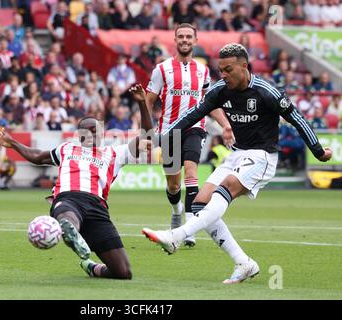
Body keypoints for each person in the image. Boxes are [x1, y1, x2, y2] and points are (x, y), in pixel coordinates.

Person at [142, 43, 332, 284]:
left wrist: (318, 151)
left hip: (263, 156)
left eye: (228, 69)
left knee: (227, 187)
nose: (223, 75)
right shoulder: (220, 90)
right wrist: (164, 136)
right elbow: (193, 115)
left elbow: (296, 118)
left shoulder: (266, 92)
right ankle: (244, 263)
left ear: (244, 66)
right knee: (200, 203)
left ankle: (175, 236)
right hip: (238, 154)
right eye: (221, 70)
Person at [0, 84, 154, 279]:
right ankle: (69, 231)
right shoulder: (66, 149)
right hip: (68, 198)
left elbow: (147, 137)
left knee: (123, 272)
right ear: (80, 134)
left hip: (97, 207)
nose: (94, 134)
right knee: (68, 218)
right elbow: (38, 157)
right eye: (89, 130)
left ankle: (92, 267)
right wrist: (13, 143)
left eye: (97, 130)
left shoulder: (114, 153)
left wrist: (143, 103)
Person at [144, 23, 231, 247]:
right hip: (169, 130)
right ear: (175, 40)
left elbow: (209, 103)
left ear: (195, 40)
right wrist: (145, 131)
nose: (184, 40)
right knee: (174, 185)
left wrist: (225, 125)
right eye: (181, 36)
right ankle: (176, 211)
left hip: (195, 128)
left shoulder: (202, 70)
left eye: (188, 37)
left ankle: (188, 229)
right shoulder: (161, 69)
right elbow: (149, 100)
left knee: (191, 172)